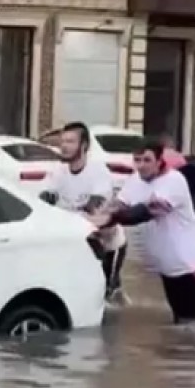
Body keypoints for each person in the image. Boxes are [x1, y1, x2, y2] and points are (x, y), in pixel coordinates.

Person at [87, 138, 195, 324]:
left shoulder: (174, 181)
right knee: (181, 324)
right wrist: (96, 219)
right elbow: (120, 203)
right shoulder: (136, 179)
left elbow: (148, 212)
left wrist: (112, 218)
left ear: (159, 162)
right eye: (137, 160)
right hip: (169, 265)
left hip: (192, 263)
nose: (141, 166)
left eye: (147, 160)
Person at [39, 121, 128, 304]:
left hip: (107, 244)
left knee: (104, 296)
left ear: (84, 146)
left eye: (70, 142)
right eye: (62, 141)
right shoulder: (58, 171)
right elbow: (45, 199)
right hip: (75, 239)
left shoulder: (98, 171)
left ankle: (115, 300)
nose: (64, 146)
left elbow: (95, 208)